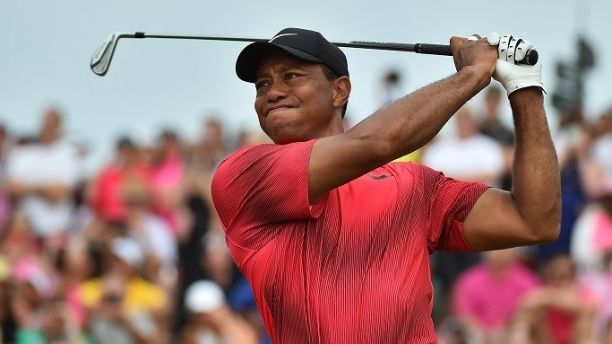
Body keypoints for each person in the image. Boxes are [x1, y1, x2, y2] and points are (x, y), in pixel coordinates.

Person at [211, 28, 560, 342]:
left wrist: (524, 87)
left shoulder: (414, 186)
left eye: (291, 76)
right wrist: (472, 75)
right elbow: (378, 143)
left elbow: (534, 221)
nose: (273, 93)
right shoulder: (244, 175)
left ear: (339, 90)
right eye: (263, 84)